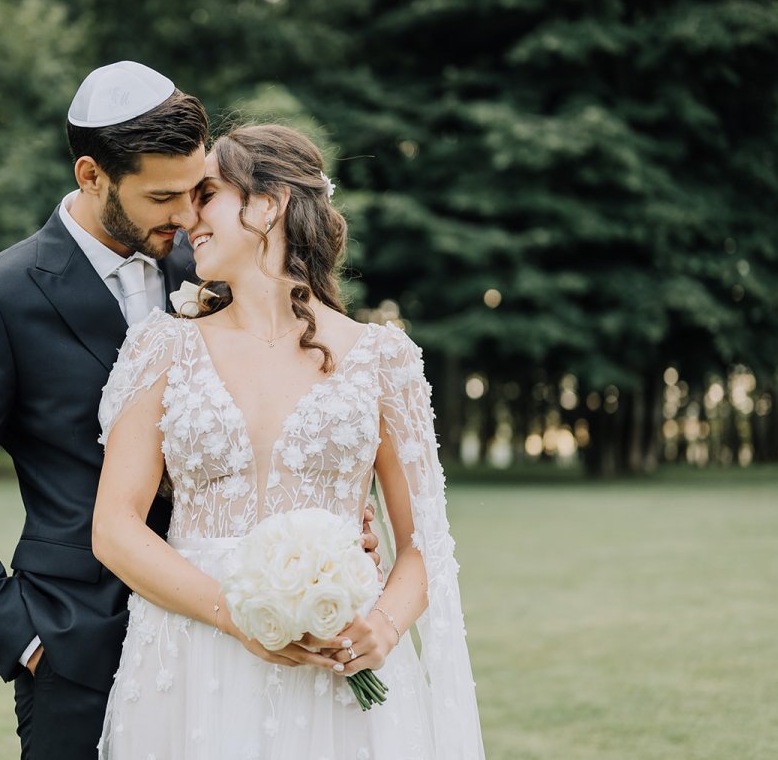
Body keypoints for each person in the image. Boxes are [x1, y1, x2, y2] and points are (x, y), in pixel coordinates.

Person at [0, 63, 378, 759]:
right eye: (162, 196)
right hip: (77, 649)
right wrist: (25, 640)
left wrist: (327, 527)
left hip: (228, 646)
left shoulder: (213, 268)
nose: (186, 216)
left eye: (197, 191)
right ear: (92, 175)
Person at [93, 124, 485, 759]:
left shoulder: (383, 359)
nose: (189, 217)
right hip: (191, 657)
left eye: (208, 195)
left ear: (269, 204)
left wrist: (382, 628)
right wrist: (234, 614)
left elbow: (423, 545)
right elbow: (114, 528)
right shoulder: (162, 348)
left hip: (334, 667)